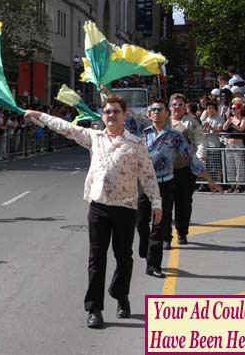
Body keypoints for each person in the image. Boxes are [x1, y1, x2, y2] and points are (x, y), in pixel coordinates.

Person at [25, 96, 162, 329]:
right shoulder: (94, 138)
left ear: (125, 114)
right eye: (107, 112)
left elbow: (148, 175)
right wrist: (39, 116)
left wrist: (156, 203)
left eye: (116, 111)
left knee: (123, 256)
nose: (111, 115)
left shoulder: (136, 144)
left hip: (125, 207)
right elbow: (66, 128)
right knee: (96, 259)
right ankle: (94, 309)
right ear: (102, 115)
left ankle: (121, 296)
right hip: (98, 206)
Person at [138, 101, 221, 279]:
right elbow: (123, 114)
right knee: (140, 222)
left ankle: (153, 265)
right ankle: (146, 247)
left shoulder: (175, 136)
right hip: (145, 184)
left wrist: (209, 180)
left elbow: (191, 159)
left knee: (160, 225)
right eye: (152, 110)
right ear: (148, 113)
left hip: (165, 184)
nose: (156, 113)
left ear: (166, 113)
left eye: (160, 110)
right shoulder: (142, 134)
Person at [168, 93, 205, 247]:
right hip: (165, 170)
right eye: (174, 104)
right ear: (169, 106)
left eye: (180, 105)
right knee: (164, 204)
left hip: (186, 168)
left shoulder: (192, 123)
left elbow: (200, 141)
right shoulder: (162, 121)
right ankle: (165, 236)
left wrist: (200, 157)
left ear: (185, 107)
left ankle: (182, 232)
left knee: (184, 203)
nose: (177, 107)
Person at [222, 100, 245, 193]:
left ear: (239, 109)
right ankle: (232, 184)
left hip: (238, 144)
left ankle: (239, 185)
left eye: (234, 108)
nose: (232, 110)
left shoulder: (243, 118)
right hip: (229, 144)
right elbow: (224, 128)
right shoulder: (230, 118)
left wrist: (232, 123)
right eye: (231, 108)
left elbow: (241, 129)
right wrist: (228, 120)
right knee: (230, 165)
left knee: (239, 165)